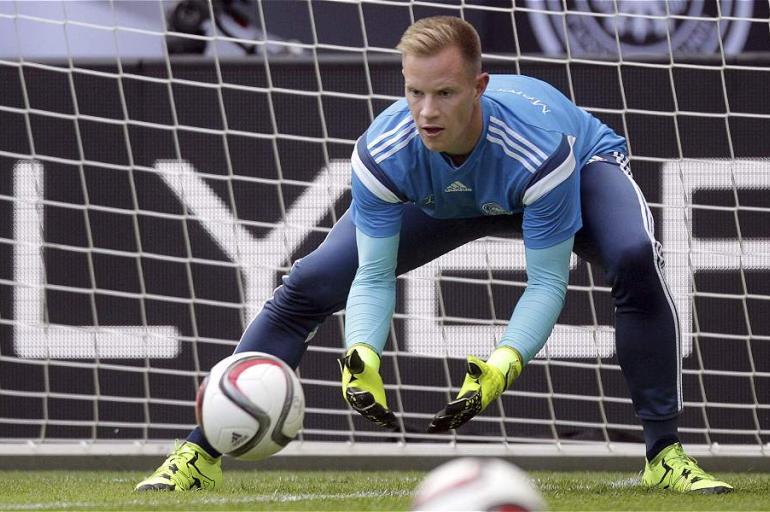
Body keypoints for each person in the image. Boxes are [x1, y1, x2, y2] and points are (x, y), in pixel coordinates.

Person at [135, 16, 732, 494]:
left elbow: (548, 283)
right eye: (415, 92)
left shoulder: (538, 151)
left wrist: (503, 362)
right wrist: (361, 351)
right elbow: (372, 271)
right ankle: (199, 450)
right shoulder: (383, 151)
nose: (426, 112)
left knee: (633, 256)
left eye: (444, 93)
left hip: (567, 174)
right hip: (449, 197)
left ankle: (664, 454)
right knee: (309, 283)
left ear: (478, 86)